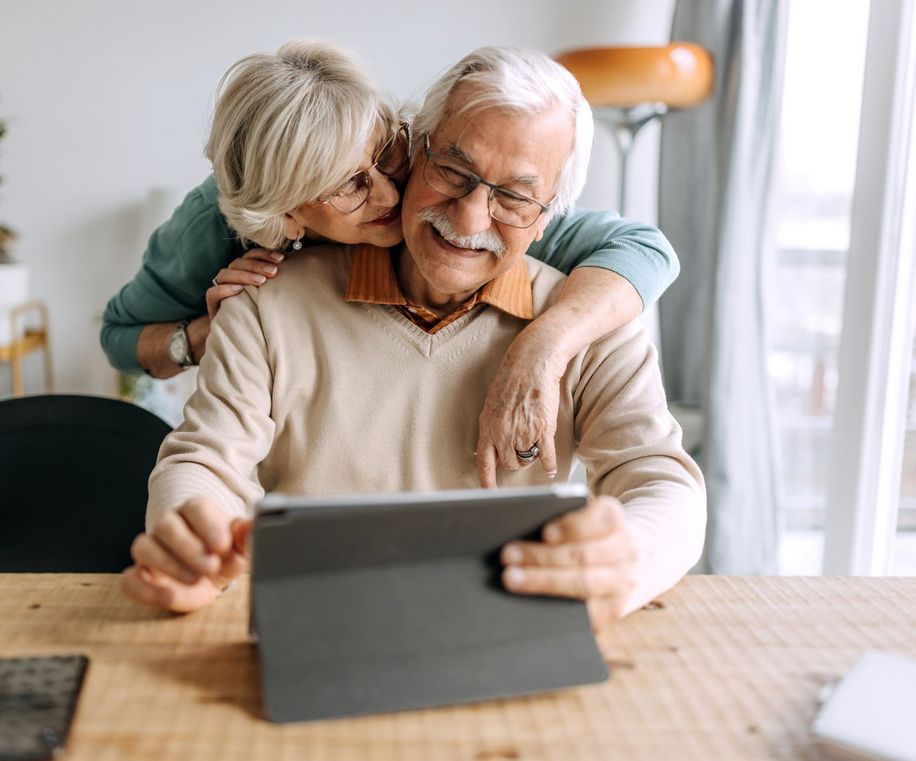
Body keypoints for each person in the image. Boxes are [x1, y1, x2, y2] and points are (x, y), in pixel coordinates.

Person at [123, 46, 706, 631]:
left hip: (505, 626)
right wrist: (193, 534)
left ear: (551, 212)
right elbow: (204, 460)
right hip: (317, 621)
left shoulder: (591, 316)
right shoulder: (258, 302)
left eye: (515, 196)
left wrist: (629, 557)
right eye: (454, 172)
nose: (472, 218)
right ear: (418, 151)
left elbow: (659, 480)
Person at [100, 39, 680, 484]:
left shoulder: (461, 195)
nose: (388, 194)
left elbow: (647, 251)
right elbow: (121, 339)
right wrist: (210, 334)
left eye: (388, 151)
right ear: (287, 218)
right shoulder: (214, 230)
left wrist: (542, 348)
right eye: (349, 186)